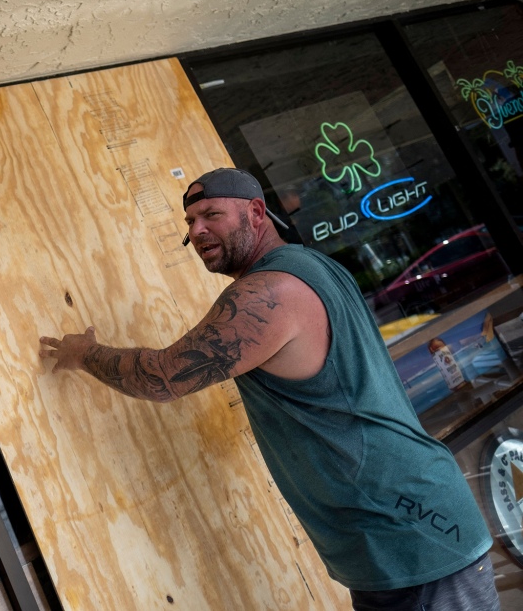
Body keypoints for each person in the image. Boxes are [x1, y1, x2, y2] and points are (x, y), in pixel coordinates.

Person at [40, 168, 499, 610]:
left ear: (256, 213)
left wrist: (85, 353)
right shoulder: (313, 266)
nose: (197, 231)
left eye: (211, 215)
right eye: (190, 222)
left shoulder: (271, 292)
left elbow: (163, 377)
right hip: (395, 536)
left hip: (412, 536)